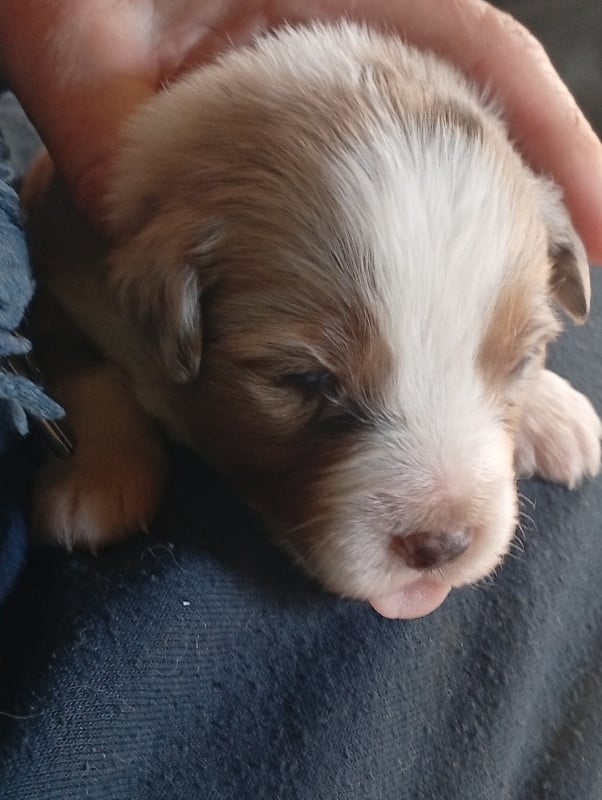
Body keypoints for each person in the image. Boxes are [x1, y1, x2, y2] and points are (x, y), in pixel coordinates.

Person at [0, 3, 600, 798]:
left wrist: (513, 377)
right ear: (165, 298)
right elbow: (57, 321)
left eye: (516, 358)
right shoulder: (107, 241)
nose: (444, 524)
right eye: (312, 382)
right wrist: (109, 432)